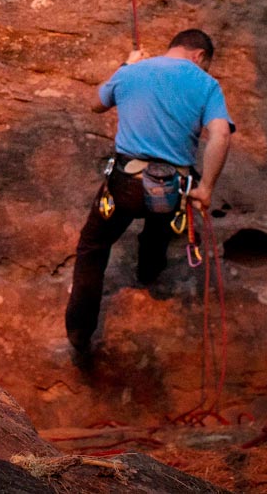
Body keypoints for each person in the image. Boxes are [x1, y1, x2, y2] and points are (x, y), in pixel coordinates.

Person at [64, 28, 235, 361]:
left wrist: (125, 67)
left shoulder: (133, 72)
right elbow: (221, 135)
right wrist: (206, 189)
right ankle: (148, 271)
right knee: (159, 227)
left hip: (126, 185)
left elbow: (96, 104)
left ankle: (79, 332)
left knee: (93, 246)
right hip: (171, 188)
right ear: (199, 56)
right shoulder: (206, 85)